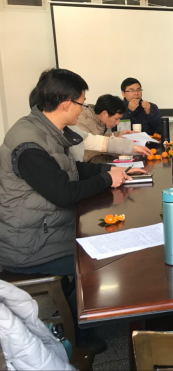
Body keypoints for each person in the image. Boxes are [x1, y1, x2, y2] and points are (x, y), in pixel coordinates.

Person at [0, 68, 143, 353]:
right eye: (81, 102)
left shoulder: (44, 129)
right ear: (66, 104)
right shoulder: (29, 143)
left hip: (44, 228)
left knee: (106, 237)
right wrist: (107, 180)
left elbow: (72, 169)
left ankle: (74, 306)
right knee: (100, 257)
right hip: (28, 245)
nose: (83, 108)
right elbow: (63, 193)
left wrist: (115, 170)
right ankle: (79, 335)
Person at [76, 94, 151, 161]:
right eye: (116, 119)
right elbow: (89, 144)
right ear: (104, 113)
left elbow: (97, 138)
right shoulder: (82, 121)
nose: (118, 123)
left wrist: (117, 135)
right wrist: (126, 145)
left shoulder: (97, 118)